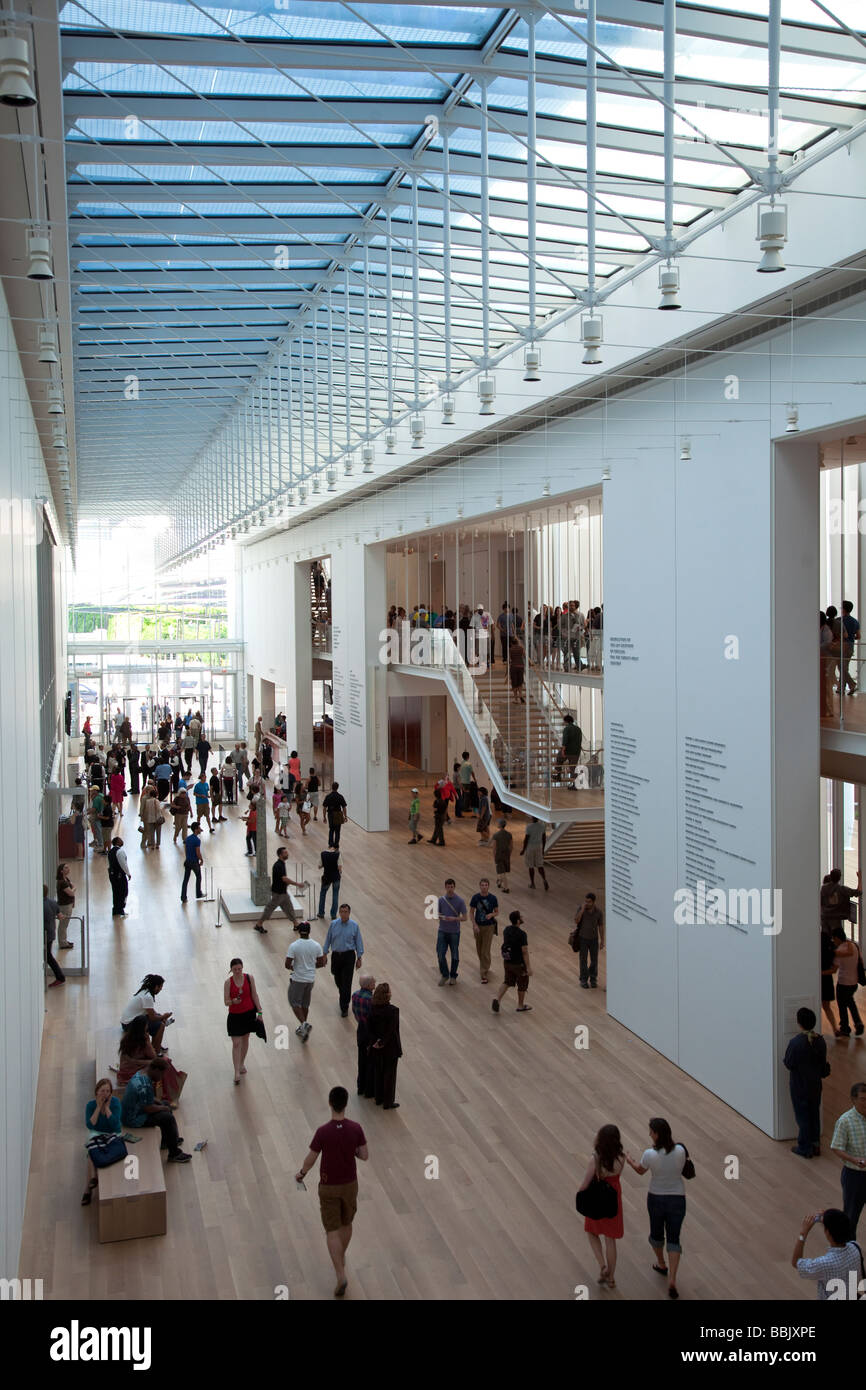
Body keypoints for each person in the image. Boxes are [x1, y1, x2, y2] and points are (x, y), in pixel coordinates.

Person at [295, 1086, 369, 1297]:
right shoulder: (356, 1129)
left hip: (328, 1186)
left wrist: (301, 1173)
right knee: (346, 1223)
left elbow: (311, 1158)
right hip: (350, 1185)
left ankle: (340, 1274)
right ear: (345, 1104)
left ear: (330, 1103)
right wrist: (352, 1149)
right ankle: (341, 1257)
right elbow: (364, 1155)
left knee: (331, 1230)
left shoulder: (323, 1132)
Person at [625, 1118, 687, 1298]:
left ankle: (661, 1263)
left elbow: (640, 1170)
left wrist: (630, 1160)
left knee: (656, 1234)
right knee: (674, 1239)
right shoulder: (681, 1150)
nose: (649, 1134)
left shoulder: (650, 1154)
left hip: (656, 1198)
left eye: (651, 1131)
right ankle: (673, 1279)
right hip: (678, 1198)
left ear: (658, 1134)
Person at [578, 1124, 625, 1290]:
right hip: (613, 1198)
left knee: (591, 1232)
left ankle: (602, 1265)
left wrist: (580, 1194)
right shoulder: (622, 1157)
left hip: (597, 1199)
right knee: (610, 1239)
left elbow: (585, 1183)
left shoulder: (595, 1158)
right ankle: (611, 1278)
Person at [120, 1059, 191, 1162]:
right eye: (162, 1074)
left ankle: (168, 1141)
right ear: (156, 1070)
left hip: (135, 1110)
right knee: (168, 1118)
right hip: (133, 1118)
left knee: (165, 1104)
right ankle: (174, 1153)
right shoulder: (145, 1085)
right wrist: (163, 1107)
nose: (161, 1077)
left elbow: (147, 1098)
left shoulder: (141, 1074)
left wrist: (161, 1104)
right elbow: (148, 1109)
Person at [784, 1007, 830, 1159]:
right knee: (814, 1113)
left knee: (802, 1116)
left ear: (799, 1023)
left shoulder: (796, 1043)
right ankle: (816, 1144)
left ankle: (805, 1147)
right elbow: (823, 1064)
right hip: (815, 1085)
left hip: (799, 1086)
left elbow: (789, 1063)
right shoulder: (820, 1041)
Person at [792, 1208, 863, 1299]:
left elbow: (796, 1262)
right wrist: (828, 1219)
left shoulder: (824, 1264)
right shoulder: (856, 1247)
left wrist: (803, 1233)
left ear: (828, 1233)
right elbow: (840, 1225)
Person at [117, 1014, 185, 1106]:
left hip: (124, 1072)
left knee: (163, 1062)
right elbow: (153, 1056)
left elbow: (129, 1059)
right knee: (164, 1063)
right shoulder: (143, 1041)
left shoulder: (126, 1038)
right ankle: (171, 1095)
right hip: (134, 1072)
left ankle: (169, 1092)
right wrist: (148, 1041)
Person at [831, 1081, 866, 1236]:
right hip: (855, 1176)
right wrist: (854, 1160)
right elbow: (836, 1147)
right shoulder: (845, 1121)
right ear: (853, 1099)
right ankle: (850, 1254)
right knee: (851, 1216)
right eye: (863, 1099)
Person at [82, 1078, 123, 1205]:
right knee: (91, 1152)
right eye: (102, 1091)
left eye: (107, 1091)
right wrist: (98, 1108)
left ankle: (87, 1190)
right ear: (96, 1092)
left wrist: (107, 1108)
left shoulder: (115, 1103)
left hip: (112, 1133)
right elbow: (90, 1125)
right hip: (97, 1133)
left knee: (103, 1152)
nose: (105, 1094)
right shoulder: (90, 1105)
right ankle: (93, 1178)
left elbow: (115, 1125)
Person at [224, 958, 264, 1085]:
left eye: (239, 969)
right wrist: (233, 1001)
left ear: (242, 968)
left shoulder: (249, 978)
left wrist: (260, 1012)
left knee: (245, 1039)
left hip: (248, 1013)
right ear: (231, 969)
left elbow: (254, 995)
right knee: (236, 1043)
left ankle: (241, 1064)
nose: (237, 971)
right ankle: (236, 1071)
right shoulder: (228, 983)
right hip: (235, 1016)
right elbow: (226, 1002)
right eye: (235, 969)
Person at [285, 921, 327, 1041]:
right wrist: (310, 966)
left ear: (299, 931)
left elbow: (287, 964)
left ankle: (304, 1024)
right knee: (305, 1003)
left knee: (294, 1002)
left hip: (298, 979)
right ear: (309, 931)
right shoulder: (316, 945)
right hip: (310, 980)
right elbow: (320, 963)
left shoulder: (294, 946)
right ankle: (303, 1029)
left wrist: (295, 967)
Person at [323, 904, 365, 1016]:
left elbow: (358, 942)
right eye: (341, 911)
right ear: (339, 912)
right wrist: (324, 953)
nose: (343, 914)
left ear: (349, 913)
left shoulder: (354, 926)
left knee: (346, 982)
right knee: (337, 979)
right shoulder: (333, 924)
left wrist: (359, 957)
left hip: (349, 956)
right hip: (336, 956)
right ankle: (343, 993)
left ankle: (344, 1007)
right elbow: (328, 939)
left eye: (346, 911)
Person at [254, 847, 306, 934]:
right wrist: (297, 884)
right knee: (269, 909)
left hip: (283, 893)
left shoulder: (281, 864)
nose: (287, 854)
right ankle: (259, 924)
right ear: (280, 855)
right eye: (285, 853)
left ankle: (296, 924)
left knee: (289, 908)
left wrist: (287, 884)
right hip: (278, 894)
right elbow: (284, 878)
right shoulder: (278, 865)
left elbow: (281, 879)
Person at [368, 982, 402, 1109]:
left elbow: (369, 1028)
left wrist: (375, 1042)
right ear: (387, 995)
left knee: (378, 1072)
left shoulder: (372, 1008)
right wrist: (382, 1042)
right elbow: (391, 1031)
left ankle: (378, 1098)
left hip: (375, 1046)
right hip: (390, 1048)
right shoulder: (393, 1011)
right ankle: (388, 1102)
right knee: (390, 1075)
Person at [492, 909, 532, 1013]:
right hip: (519, 964)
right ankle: (520, 1005)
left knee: (507, 981)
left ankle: (497, 999)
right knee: (522, 984)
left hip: (507, 961)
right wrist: (528, 967)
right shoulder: (522, 934)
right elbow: (524, 951)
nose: (522, 918)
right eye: (521, 917)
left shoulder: (506, 930)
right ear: (518, 921)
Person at [120, 973, 172, 1048]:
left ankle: (156, 1044)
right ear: (156, 986)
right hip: (128, 1025)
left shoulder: (146, 991)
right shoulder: (148, 997)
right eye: (161, 987)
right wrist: (164, 1016)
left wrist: (161, 1017)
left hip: (127, 1021)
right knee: (160, 1025)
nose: (161, 989)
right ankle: (155, 1051)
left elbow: (151, 1012)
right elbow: (152, 1018)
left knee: (159, 1018)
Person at [831, 925, 865, 1037]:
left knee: (842, 1005)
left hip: (843, 982)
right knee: (850, 1002)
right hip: (854, 982)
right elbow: (860, 961)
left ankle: (845, 1028)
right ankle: (858, 1022)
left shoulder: (839, 951)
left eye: (834, 938)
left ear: (837, 938)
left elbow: (834, 969)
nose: (833, 941)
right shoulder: (854, 946)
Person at [436, 878, 467, 985]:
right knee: (440, 953)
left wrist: (454, 919)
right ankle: (445, 974)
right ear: (445, 887)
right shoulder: (441, 900)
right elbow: (437, 914)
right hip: (442, 931)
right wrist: (442, 917)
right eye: (448, 887)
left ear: (454, 887)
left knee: (455, 955)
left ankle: (453, 975)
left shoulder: (460, 901)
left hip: (454, 932)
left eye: (452, 887)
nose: (450, 889)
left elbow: (465, 918)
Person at [572, 891, 604, 989]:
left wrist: (602, 940)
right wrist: (582, 910)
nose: (587, 904)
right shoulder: (581, 909)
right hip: (583, 939)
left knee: (594, 960)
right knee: (583, 960)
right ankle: (583, 980)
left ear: (593, 902)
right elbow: (576, 920)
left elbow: (601, 926)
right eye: (585, 901)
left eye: (589, 902)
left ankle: (593, 979)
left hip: (594, 939)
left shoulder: (598, 912)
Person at [469, 878, 499, 984]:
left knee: (485, 950)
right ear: (479, 886)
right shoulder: (475, 898)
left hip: (489, 927)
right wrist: (474, 925)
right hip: (478, 926)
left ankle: (483, 973)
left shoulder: (493, 898)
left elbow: (497, 911)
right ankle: (485, 965)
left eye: (486, 885)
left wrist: (491, 914)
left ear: (488, 886)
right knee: (479, 948)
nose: (484, 887)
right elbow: (471, 912)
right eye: (482, 885)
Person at [351, 974, 376, 1098]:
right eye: (373, 982)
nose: (375, 983)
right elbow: (374, 1017)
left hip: (361, 1029)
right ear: (368, 985)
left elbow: (354, 1011)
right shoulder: (371, 1000)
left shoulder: (355, 995)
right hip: (370, 1032)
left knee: (361, 1059)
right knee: (371, 1060)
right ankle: (369, 1088)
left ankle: (360, 1086)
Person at [820, 866, 861, 932]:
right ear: (839, 878)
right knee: (838, 937)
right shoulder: (842, 889)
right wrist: (860, 878)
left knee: (826, 936)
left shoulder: (824, 888)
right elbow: (858, 892)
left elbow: (821, 901)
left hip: (825, 916)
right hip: (836, 917)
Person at [43, 883, 65, 987]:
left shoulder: (39, 905)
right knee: (47, 955)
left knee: (48, 956)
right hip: (50, 933)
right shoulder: (52, 902)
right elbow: (60, 916)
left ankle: (60, 977)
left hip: (44, 934)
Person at [521, 817, 549, 890]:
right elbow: (544, 838)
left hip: (530, 847)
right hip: (538, 847)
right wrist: (543, 849)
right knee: (540, 865)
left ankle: (533, 883)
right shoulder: (542, 826)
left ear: (532, 818)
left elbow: (526, 839)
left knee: (531, 866)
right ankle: (544, 879)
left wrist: (523, 850)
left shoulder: (529, 827)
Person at [107, 836, 131, 918]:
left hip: (112, 874)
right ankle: (120, 909)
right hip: (119, 875)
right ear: (117, 842)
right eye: (120, 840)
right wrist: (128, 873)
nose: (122, 840)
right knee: (123, 891)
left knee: (116, 892)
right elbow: (123, 863)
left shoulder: (110, 851)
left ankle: (116, 910)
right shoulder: (120, 851)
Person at [181, 822, 204, 902]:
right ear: (196, 829)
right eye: (199, 828)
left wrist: (187, 857)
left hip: (188, 861)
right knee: (198, 877)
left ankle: (183, 897)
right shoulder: (197, 840)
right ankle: (198, 893)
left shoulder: (188, 838)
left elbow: (185, 849)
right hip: (194, 862)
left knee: (185, 879)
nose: (200, 829)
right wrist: (201, 859)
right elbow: (198, 852)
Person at [56, 862, 75, 950]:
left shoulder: (66, 879)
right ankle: (62, 942)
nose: (68, 869)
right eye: (66, 868)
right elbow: (71, 893)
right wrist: (74, 889)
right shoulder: (62, 882)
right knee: (63, 924)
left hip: (68, 904)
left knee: (65, 924)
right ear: (61, 871)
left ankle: (64, 940)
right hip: (64, 905)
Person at [560, 714, 583, 785]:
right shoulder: (578, 729)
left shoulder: (566, 729)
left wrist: (563, 750)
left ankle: (558, 774)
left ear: (566, 721)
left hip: (568, 752)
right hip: (576, 752)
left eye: (563, 721)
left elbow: (565, 741)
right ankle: (574, 784)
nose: (563, 723)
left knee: (558, 758)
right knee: (573, 768)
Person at [323, 782, 347, 848]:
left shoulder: (328, 796)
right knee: (337, 830)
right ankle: (336, 844)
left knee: (331, 829)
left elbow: (324, 807)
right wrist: (345, 816)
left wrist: (324, 817)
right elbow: (344, 807)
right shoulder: (340, 796)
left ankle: (330, 844)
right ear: (337, 788)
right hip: (338, 814)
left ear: (332, 787)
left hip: (330, 814)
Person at [492, 817, 513, 893]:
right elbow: (511, 846)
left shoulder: (496, 835)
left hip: (499, 854)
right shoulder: (509, 834)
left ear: (500, 825)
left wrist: (494, 857)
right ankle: (499, 882)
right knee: (502, 870)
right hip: (506, 854)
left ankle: (506, 888)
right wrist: (509, 854)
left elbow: (494, 848)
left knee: (501, 871)